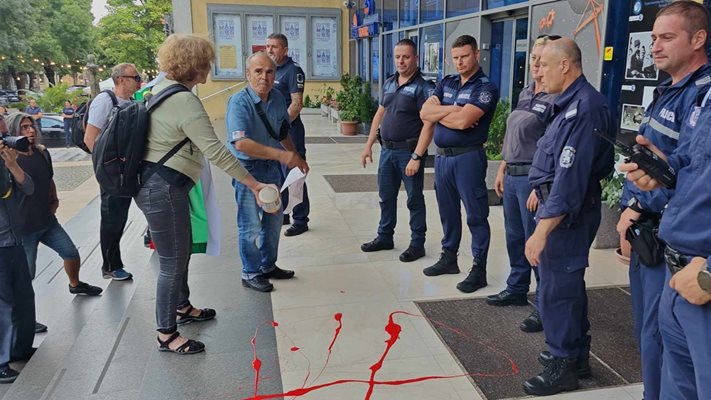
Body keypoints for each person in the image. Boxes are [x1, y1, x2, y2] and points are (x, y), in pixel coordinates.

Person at [133, 34, 272, 354]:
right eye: (206, 61)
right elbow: (217, 151)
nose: (209, 67)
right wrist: (253, 184)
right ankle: (166, 333)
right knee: (171, 261)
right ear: (194, 66)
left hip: (160, 186)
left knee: (179, 254)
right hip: (163, 189)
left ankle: (181, 306)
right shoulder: (183, 100)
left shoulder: (160, 89)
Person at [615, 3, 711, 399]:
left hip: (699, 274)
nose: (654, 46)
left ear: (699, 39)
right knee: (665, 363)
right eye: (653, 38)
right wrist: (655, 180)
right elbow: (690, 176)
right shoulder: (676, 93)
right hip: (672, 258)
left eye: (666, 37)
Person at [521, 38, 614, 396]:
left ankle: (563, 366)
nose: (538, 72)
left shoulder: (585, 108)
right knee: (566, 288)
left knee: (558, 292)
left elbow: (570, 178)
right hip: (556, 205)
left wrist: (542, 231)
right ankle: (576, 357)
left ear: (565, 65)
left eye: (543, 64)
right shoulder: (568, 104)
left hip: (566, 214)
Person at [487, 35, 560, 334]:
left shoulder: (556, 99)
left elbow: (552, 147)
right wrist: (502, 167)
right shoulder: (525, 93)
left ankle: (545, 305)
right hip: (513, 174)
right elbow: (514, 137)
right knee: (515, 237)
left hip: (534, 178)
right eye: (533, 58)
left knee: (536, 244)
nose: (536, 65)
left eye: (542, 60)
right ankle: (516, 287)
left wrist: (539, 187)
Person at [7, 112, 103, 335]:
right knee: (26, 277)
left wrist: (55, 198)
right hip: (23, 229)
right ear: (14, 132)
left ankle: (75, 284)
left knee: (70, 252)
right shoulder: (10, 161)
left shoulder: (41, 153)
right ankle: (23, 319)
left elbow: (49, 178)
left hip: (47, 221)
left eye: (31, 126)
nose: (30, 130)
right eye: (23, 127)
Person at [419, 34, 499, 293]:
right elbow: (424, 113)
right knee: (447, 211)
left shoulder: (485, 88)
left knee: (476, 214)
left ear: (476, 54)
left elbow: (465, 122)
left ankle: (479, 268)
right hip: (442, 157)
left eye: (465, 56)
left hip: (468, 157)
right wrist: (455, 110)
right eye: (455, 58)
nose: (460, 62)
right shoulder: (447, 82)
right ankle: (449, 257)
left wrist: (444, 111)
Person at [226, 52, 308, 293]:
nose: (264, 77)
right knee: (250, 225)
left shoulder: (279, 99)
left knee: (273, 222)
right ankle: (250, 272)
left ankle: (268, 266)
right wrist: (283, 156)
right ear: (248, 75)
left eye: (269, 72)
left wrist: (296, 157)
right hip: (248, 171)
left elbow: (282, 132)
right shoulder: (239, 102)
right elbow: (241, 144)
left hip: (272, 169)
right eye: (258, 71)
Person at [359, 38, 434, 262]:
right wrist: (368, 145)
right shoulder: (390, 82)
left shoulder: (423, 87)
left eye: (406, 56)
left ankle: (417, 243)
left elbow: (429, 124)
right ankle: (385, 237)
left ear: (416, 58)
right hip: (387, 152)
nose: (401, 61)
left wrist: (417, 156)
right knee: (386, 197)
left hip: (408, 153)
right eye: (398, 57)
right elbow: (380, 114)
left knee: (414, 200)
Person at [84, 63, 143, 281]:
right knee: (111, 219)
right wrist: (108, 168)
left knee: (120, 217)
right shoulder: (105, 100)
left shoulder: (132, 102)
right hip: (112, 173)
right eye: (135, 77)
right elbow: (90, 139)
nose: (139, 80)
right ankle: (110, 265)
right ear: (121, 79)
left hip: (125, 171)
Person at [0, 113, 36, 383]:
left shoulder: (8, 161)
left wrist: (13, 165)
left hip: (14, 237)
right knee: (4, 303)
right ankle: (2, 361)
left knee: (23, 296)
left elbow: (30, 188)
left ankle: (21, 347)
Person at [266, 33, 311, 236]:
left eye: (274, 47)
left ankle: (301, 220)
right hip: (274, 133)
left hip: (290, 131)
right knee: (277, 173)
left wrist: (280, 127)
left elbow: (296, 104)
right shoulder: (271, 70)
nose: (269, 50)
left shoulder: (293, 71)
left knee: (294, 174)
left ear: (285, 50)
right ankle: (283, 212)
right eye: (267, 46)